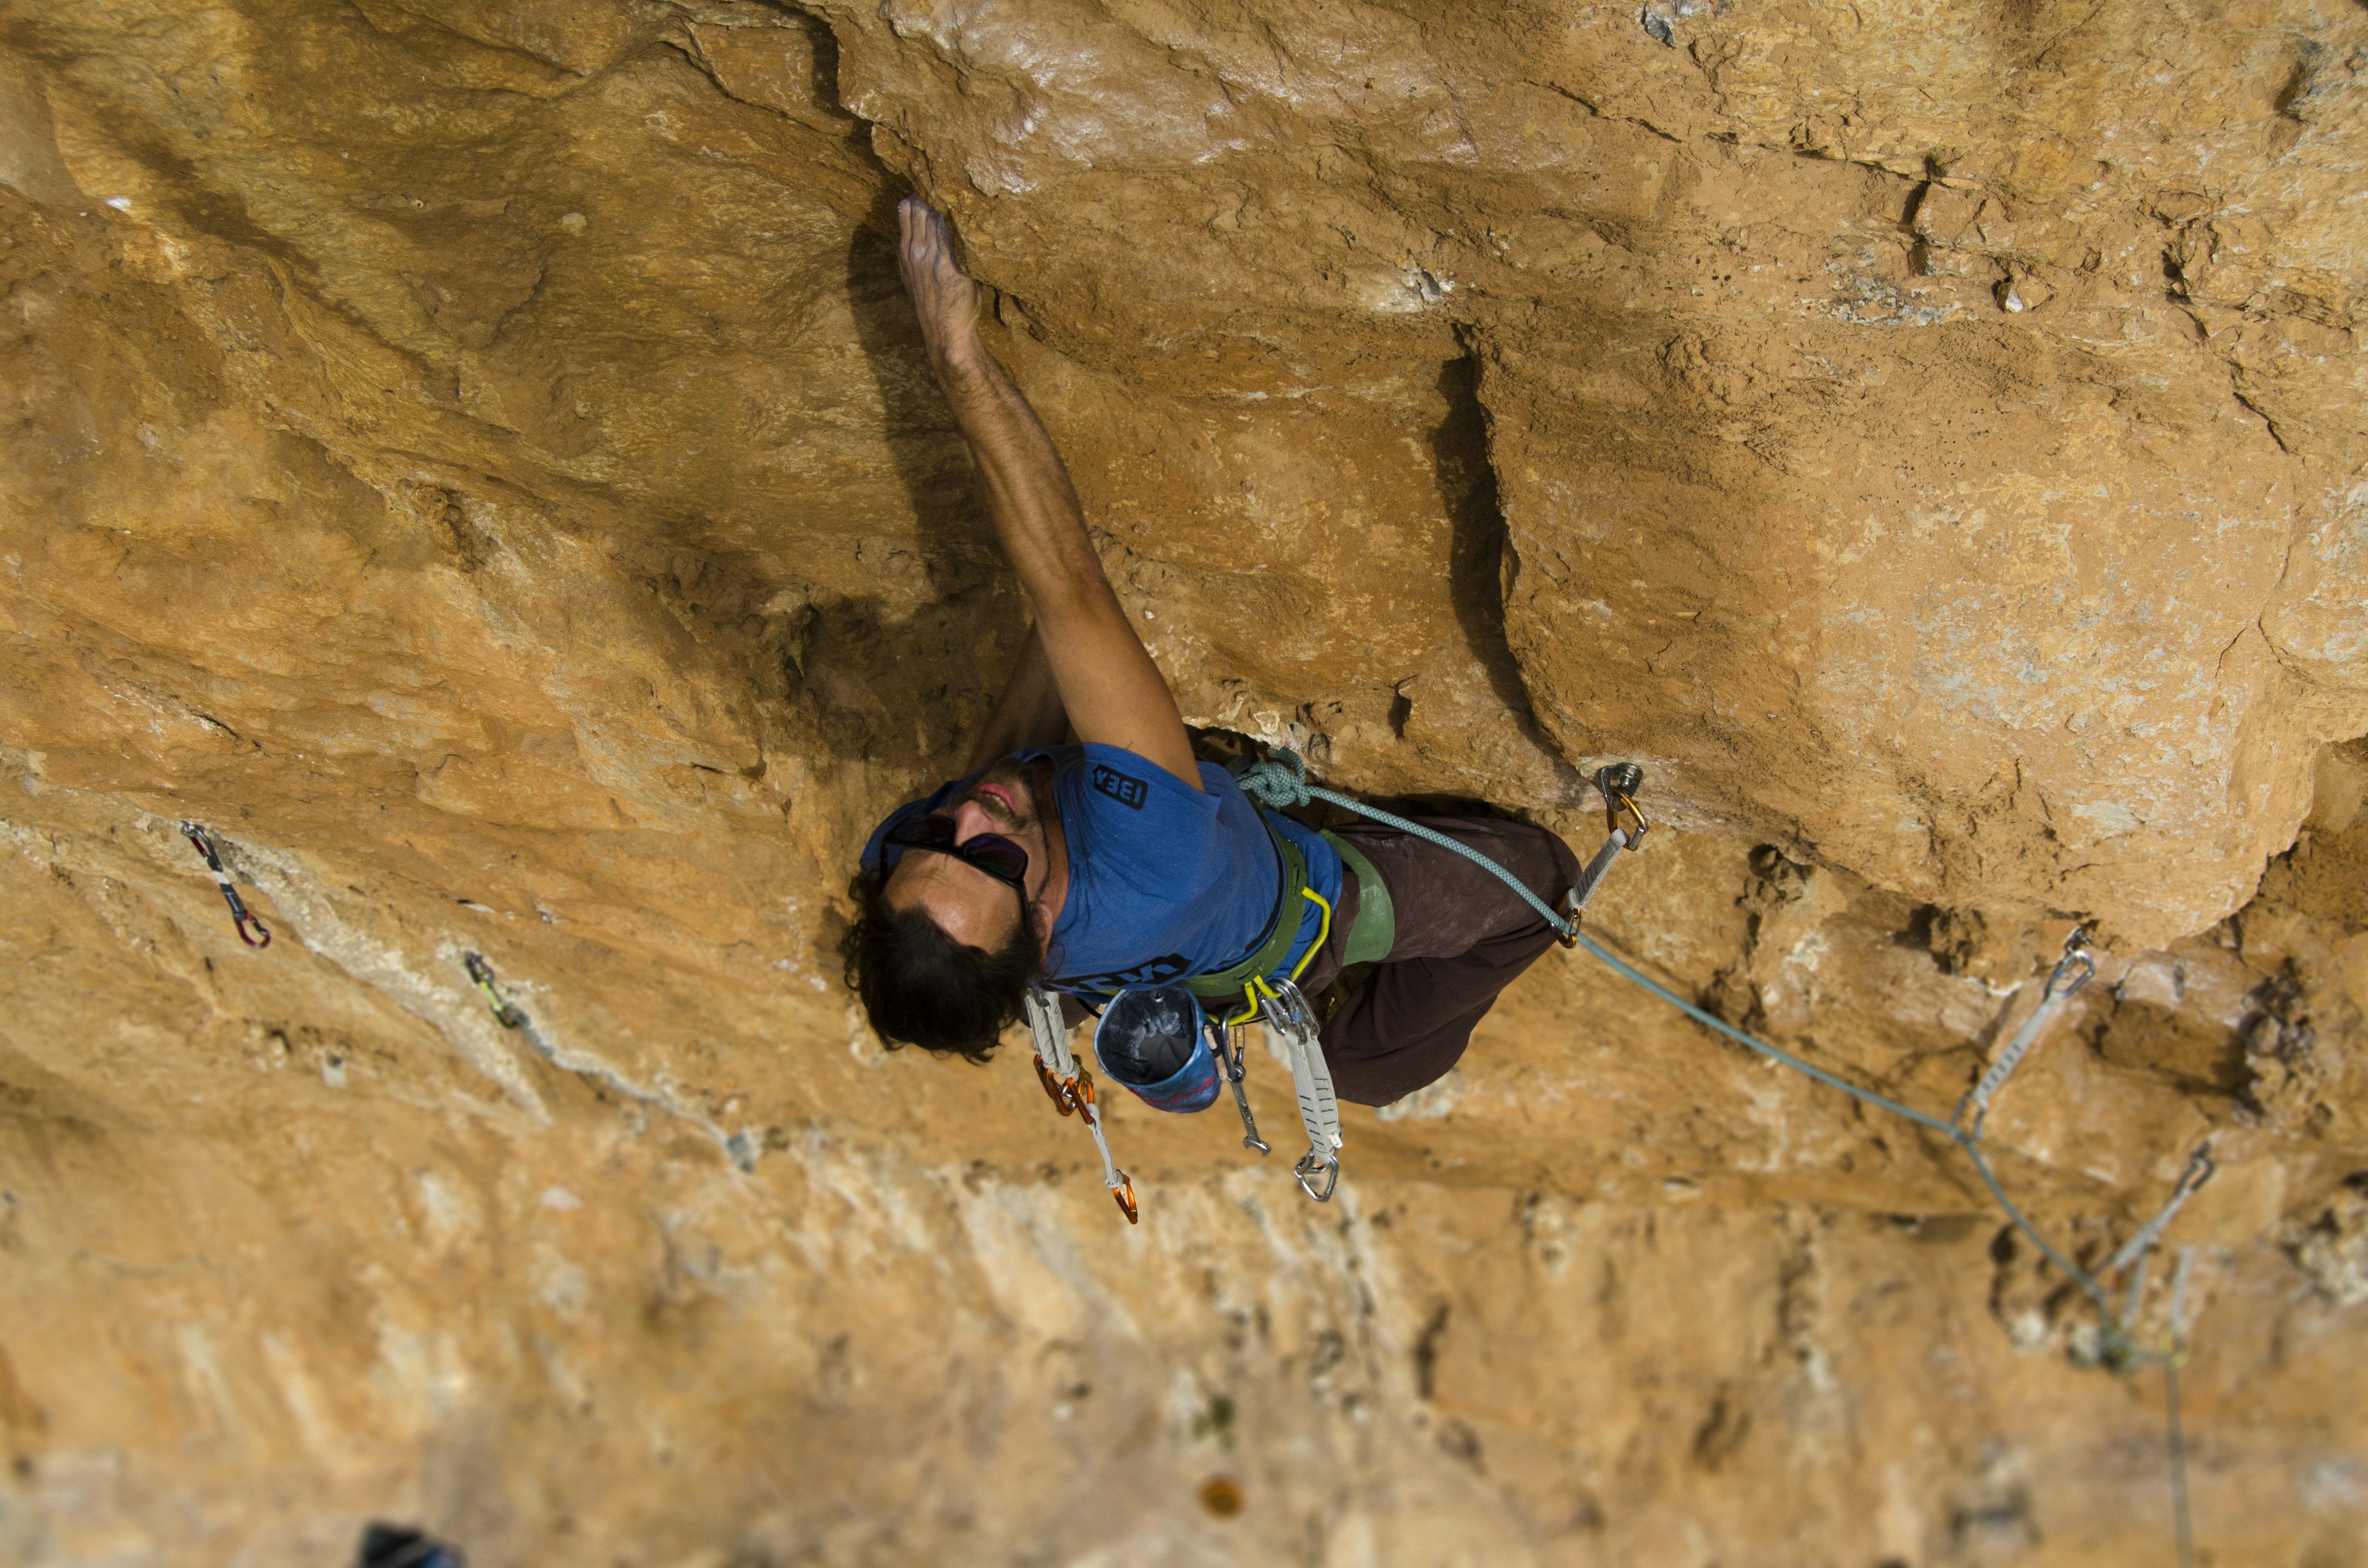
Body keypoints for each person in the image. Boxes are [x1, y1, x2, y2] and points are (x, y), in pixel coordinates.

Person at [842, 197, 1580, 1107]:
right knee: (1534, 897)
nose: (964, 819)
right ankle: (1357, 1039)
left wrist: (1054, 651)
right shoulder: (1155, 865)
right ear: (1040, 927)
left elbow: (997, 766)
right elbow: (1072, 586)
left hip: (1150, 935)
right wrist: (957, 358)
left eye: (933, 840)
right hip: (1290, 918)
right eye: (990, 861)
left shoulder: (911, 866)